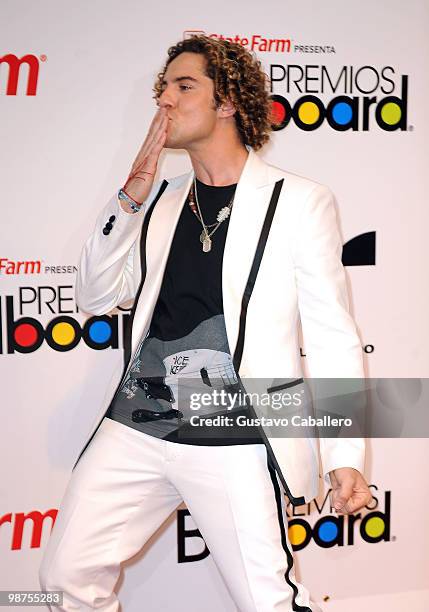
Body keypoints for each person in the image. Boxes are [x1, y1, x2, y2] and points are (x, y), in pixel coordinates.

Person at [39, 34, 372, 611]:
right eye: (161, 88)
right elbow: (94, 296)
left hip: (237, 433)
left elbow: (331, 335)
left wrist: (345, 455)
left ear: (229, 102)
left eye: (183, 85)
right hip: (140, 421)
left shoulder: (299, 201)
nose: (164, 100)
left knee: (267, 601)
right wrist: (130, 194)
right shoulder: (162, 199)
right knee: (66, 573)